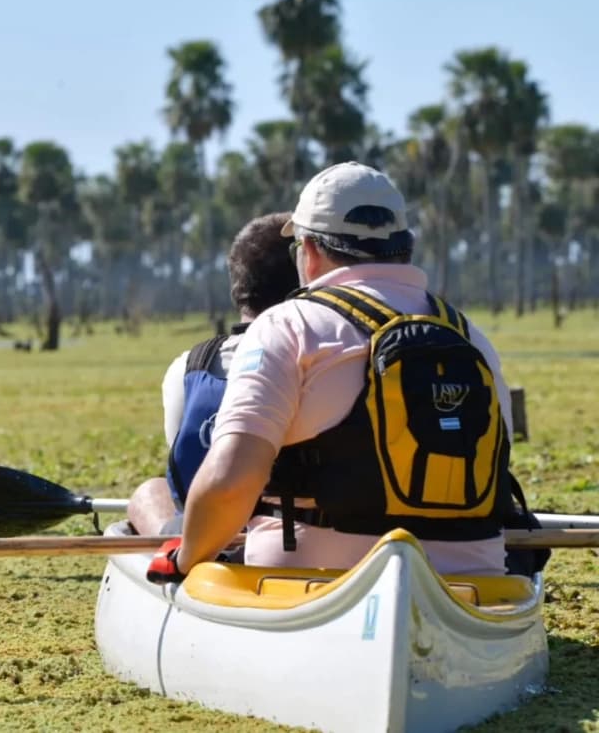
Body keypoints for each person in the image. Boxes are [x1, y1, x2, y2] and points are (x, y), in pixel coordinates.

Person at [149, 161, 519, 583]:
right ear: (405, 246)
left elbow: (231, 482)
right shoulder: (469, 334)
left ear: (308, 251)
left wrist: (185, 560)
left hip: (308, 585)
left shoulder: (286, 325)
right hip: (474, 584)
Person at [128, 212, 299, 536]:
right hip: (291, 536)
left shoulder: (187, 367)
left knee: (149, 492)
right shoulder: (323, 357)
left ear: (238, 286)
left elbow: (186, 471)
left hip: (208, 539)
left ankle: (172, 542)